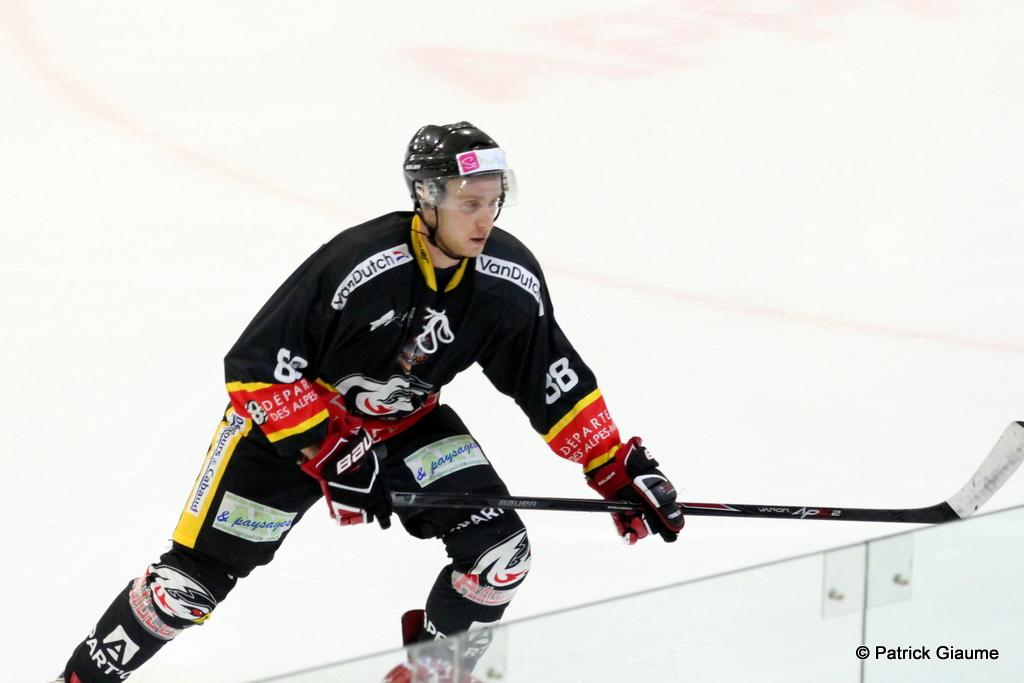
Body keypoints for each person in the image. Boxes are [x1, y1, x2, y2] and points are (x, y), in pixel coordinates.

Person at [55, 122, 686, 683]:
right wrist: (326, 449)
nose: (485, 220)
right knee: (186, 589)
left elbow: (548, 375)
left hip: (405, 425)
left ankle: (432, 676)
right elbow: (256, 369)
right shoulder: (359, 265)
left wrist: (611, 464)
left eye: (494, 202)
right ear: (427, 199)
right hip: (286, 433)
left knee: (499, 554)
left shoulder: (507, 277)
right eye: (469, 204)